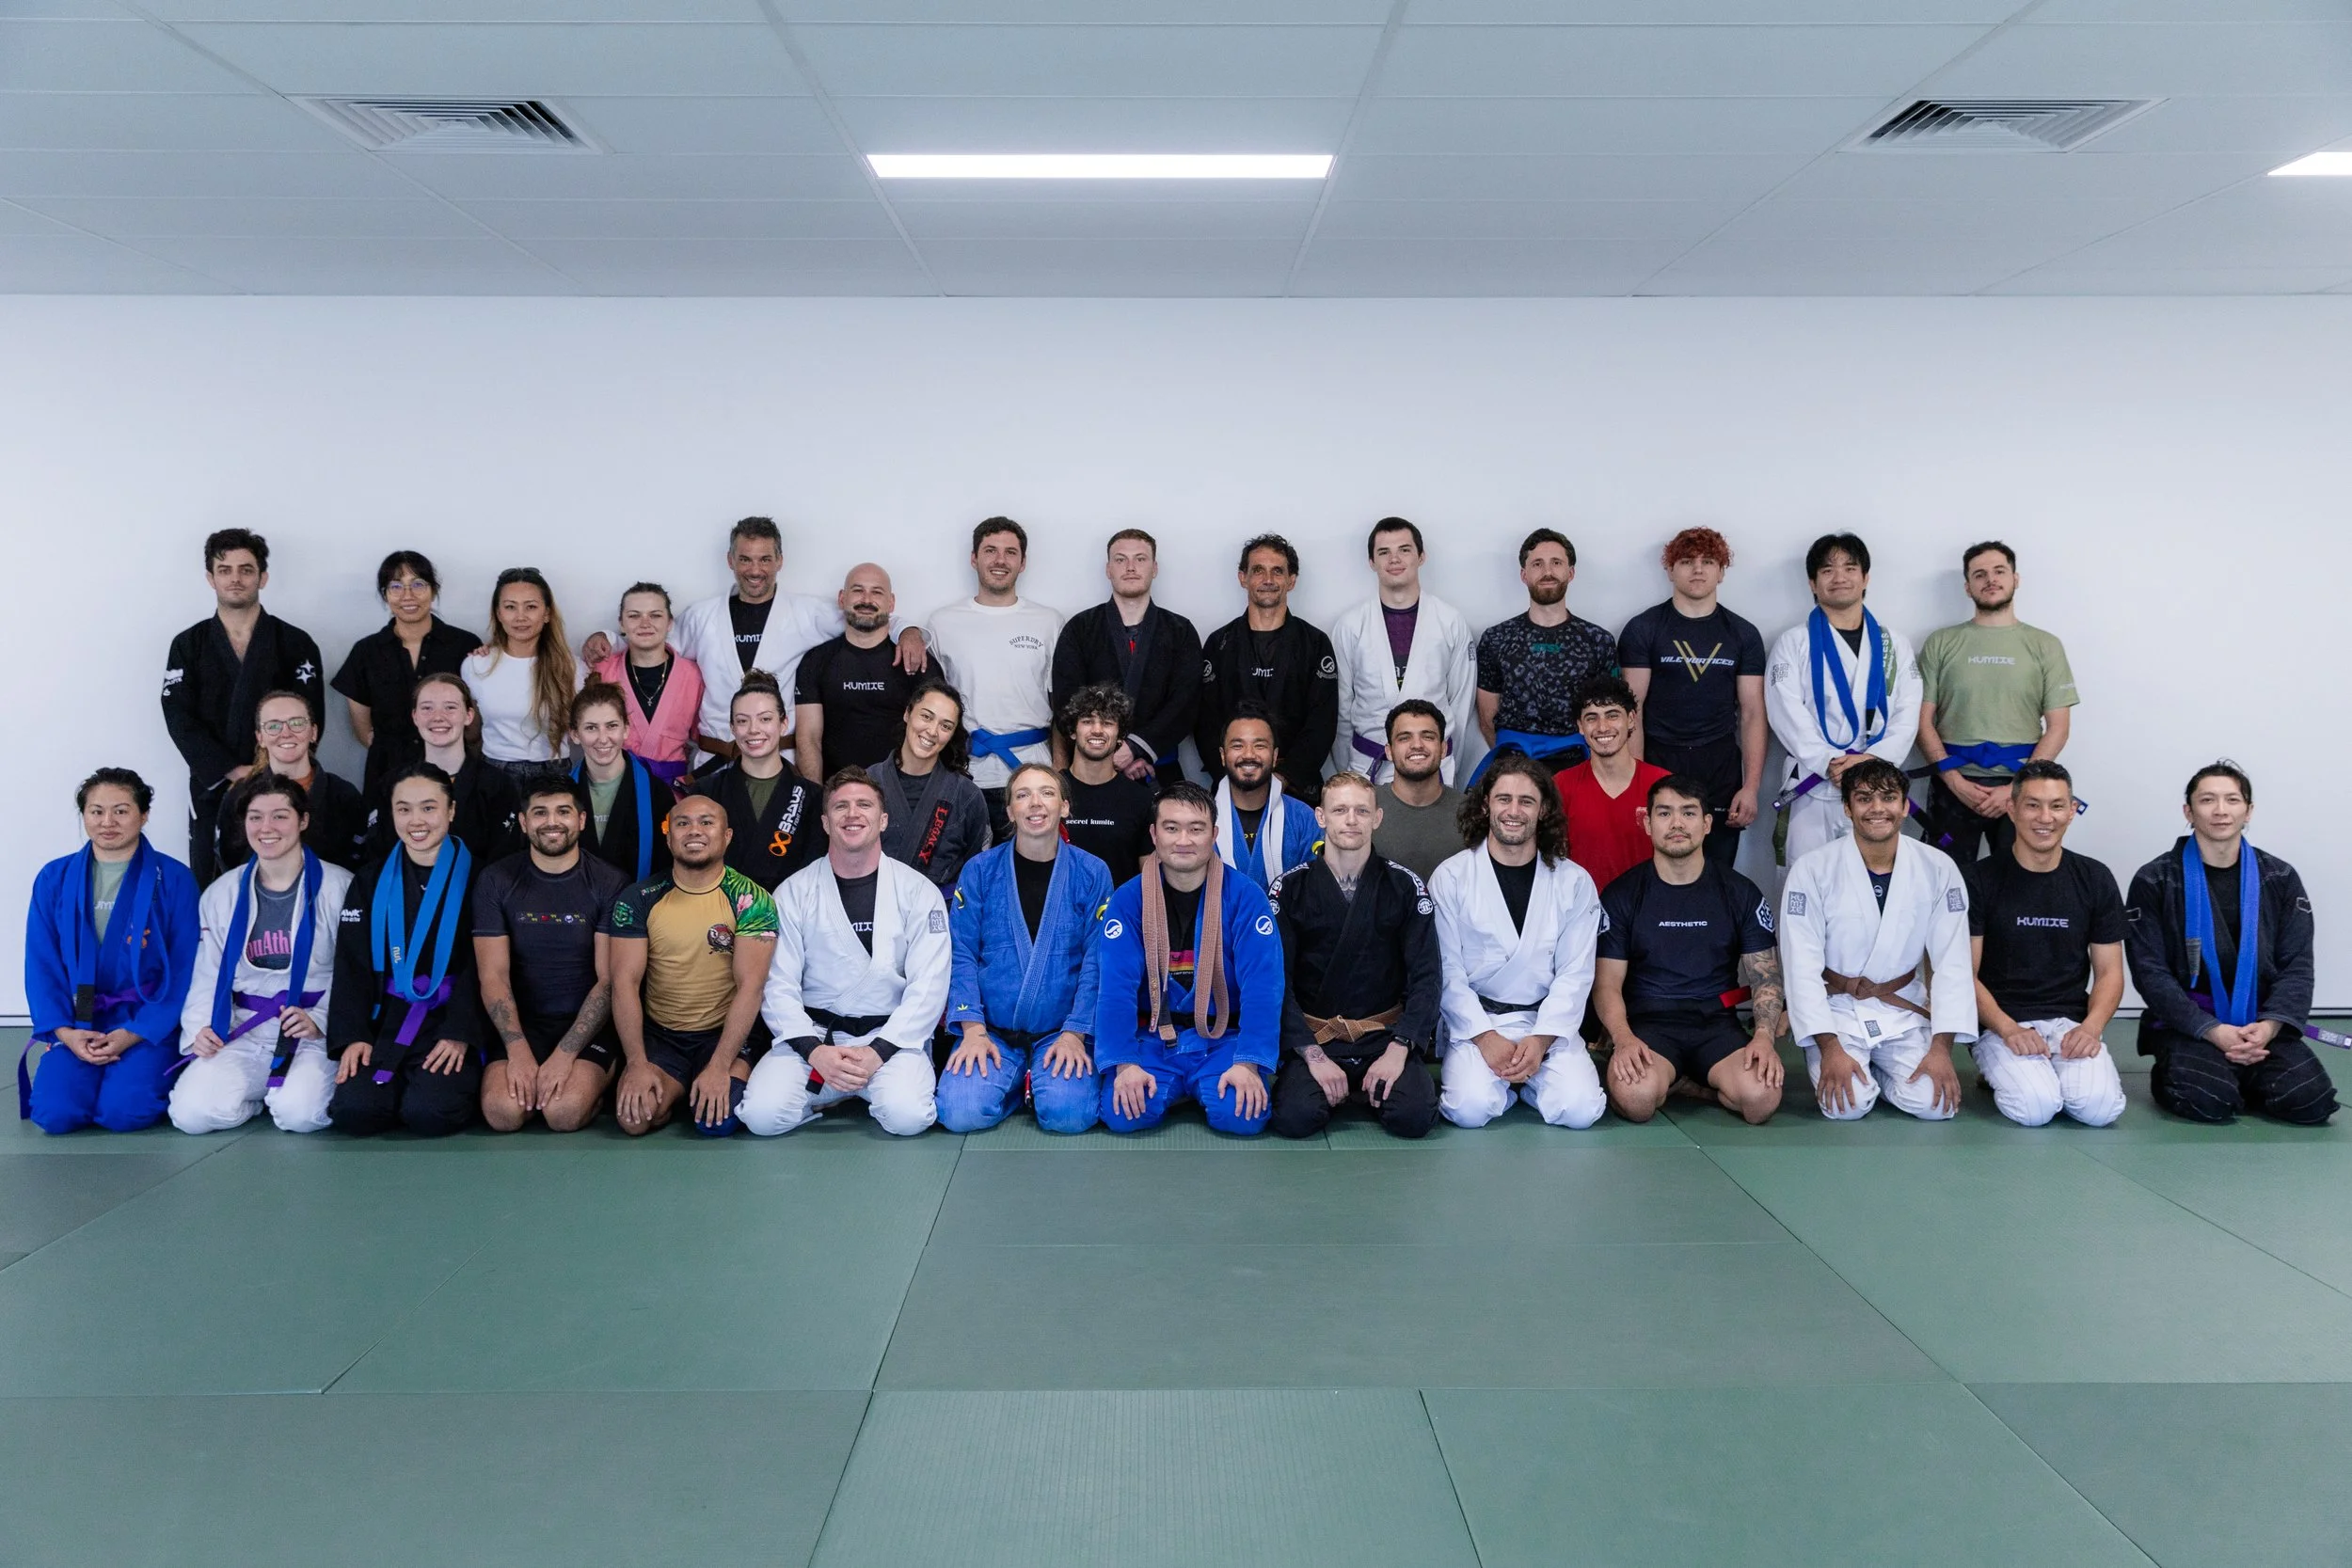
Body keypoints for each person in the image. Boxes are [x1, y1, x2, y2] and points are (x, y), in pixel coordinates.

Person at [2125, 762, 2335, 1126]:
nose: (2220, 810)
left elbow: (2298, 965)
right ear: (2189, 812)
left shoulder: (2280, 877)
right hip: (2190, 1025)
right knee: (2208, 1102)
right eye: (2207, 800)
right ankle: (2194, 1073)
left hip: (2259, 1026)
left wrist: (2269, 1027)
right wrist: (2211, 1030)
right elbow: (2150, 972)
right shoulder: (2155, 878)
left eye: (2232, 800)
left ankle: (2241, 1073)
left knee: (2311, 1102)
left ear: (2248, 811)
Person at [743, 768, 949, 1137]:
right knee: (761, 1117)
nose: (852, 814)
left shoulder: (919, 892)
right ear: (825, 822)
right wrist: (814, 1051)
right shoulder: (794, 892)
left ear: (883, 819)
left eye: (864, 805)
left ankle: (843, 1090)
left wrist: (876, 1053)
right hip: (818, 1039)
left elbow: (930, 987)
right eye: (841, 807)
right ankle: (836, 1089)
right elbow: (777, 985)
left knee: (908, 1118)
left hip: (890, 1041)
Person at [1778, 758, 1976, 1122]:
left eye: (1888, 797)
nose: (1877, 809)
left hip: (1901, 1008)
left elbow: (1953, 963)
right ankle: (1864, 1074)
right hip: (1837, 1011)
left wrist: (1941, 1048)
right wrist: (1830, 1047)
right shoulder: (1812, 869)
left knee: (1935, 1105)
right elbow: (1800, 966)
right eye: (1864, 798)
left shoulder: (1938, 868)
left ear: (1904, 806)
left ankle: (1881, 1074)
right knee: (1848, 1106)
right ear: (1847, 808)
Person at [1093, 783, 1284, 1135]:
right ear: (1153, 834)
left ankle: (1193, 1085)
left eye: (1196, 829)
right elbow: (1115, 989)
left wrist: (1249, 1062)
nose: (1184, 839)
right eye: (1171, 828)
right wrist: (1124, 1064)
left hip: (1223, 1037)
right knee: (1124, 1117)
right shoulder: (1128, 899)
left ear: (1214, 834)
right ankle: (1179, 1086)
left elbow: (1264, 986)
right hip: (1151, 1037)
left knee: (1242, 1118)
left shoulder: (1245, 897)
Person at [651, 516, 921, 766]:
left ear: (780, 561)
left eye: (765, 559)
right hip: (715, 761)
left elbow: (863, 616)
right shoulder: (701, 617)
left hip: (781, 764)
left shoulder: (806, 613)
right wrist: (611, 640)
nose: (755, 570)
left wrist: (907, 630)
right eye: (745, 559)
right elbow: (649, 642)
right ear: (730, 560)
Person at [1428, 755, 1607, 1130]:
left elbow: (1576, 972)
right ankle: (1512, 1085)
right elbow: (1446, 969)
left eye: (1526, 801)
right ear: (1485, 805)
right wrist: (1484, 1036)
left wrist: (1541, 1039)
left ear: (1543, 811)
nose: (1514, 811)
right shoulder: (1452, 877)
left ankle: (1525, 1083)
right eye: (1503, 799)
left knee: (1581, 1111)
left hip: (1546, 1023)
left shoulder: (1573, 881)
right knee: (1469, 1110)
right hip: (1479, 1022)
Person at [1594, 776, 1785, 1126]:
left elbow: (1765, 976)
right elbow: (1606, 983)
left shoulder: (1740, 892)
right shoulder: (1622, 894)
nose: (1677, 823)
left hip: (1716, 1026)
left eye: (1689, 813)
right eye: (1664, 813)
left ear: (1707, 824)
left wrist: (1762, 1037)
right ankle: (1675, 1081)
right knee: (1636, 1101)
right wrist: (1622, 1039)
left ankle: (1693, 1084)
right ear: (1647, 823)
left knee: (1761, 1100)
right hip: (1650, 1027)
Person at [936, 764, 1115, 1134]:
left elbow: (1098, 961)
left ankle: (1037, 1082)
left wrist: (1076, 1034)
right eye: (1023, 795)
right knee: (960, 1114)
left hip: (1060, 1032)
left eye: (1047, 793)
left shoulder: (1092, 872)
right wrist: (971, 1029)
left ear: (1065, 807)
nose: (1036, 803)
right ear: (1009, 812)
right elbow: (962, 953)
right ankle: (1020, 1085)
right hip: (992, 1033)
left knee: (1070, 1117)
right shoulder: (980, 870)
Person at [21, 768, 200, 1133]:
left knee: (124, 1113)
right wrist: (64, 1033)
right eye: (96, 811)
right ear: (84, 815)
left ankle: (144, 1069)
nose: (107, 822)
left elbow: (185, 967)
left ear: (144, 815)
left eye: (121, 810)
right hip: (78, 1018)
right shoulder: (54, 878)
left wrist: (134, 1033)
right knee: (55, 1115)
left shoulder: (175, 878)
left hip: (145, 1018)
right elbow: (41, 963)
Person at [167, 774, 349, 1134]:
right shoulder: (222, 893)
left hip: (310, 1031)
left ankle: (281, 1094)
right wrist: (201, 1027)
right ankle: (257, 1098)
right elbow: (207, 971)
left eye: (280, 815)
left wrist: (323, 1021)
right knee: (190, 1115)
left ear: (303, 820)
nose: (267, 827)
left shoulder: (340, 887)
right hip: (244, 1029)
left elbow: (353, 974)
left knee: (299, 1116)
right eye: (255, 817)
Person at [1265, 772, 1441, 1140]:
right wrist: (1312, 1056)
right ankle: (1345, 1087)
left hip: (1383, 1035)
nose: (1351, 820)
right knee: (1295, 1118)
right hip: (1317, 1036)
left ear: (1377, 818)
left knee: (1413, 1118)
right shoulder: (1289, 888)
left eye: (1362, 811)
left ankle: (1359, 1088)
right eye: (1340, 809)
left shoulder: (1405, 886)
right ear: (1320, 817)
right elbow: (1275, 981)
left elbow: (1426, 977)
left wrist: (1400, 1048)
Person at [1963, 760, 2126, 1128]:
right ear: (2012, 809)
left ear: (2072, 811)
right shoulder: (1980, 879)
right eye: (2033, 805)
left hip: (2070, 1023)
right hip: (2003, 1025)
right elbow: (1963, 975)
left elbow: (2110, 971)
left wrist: (2091, 1028)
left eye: (2056, 806)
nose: (2045, 817)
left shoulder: (2095, 877)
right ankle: (1999, 1069)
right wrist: (2008, 1029)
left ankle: (2048, 1071)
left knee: (2099, 1112)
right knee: (2036, 1109)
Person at [327, 764, 486, 1136]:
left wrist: (460, 1031)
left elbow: (486, 967)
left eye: (429, 808)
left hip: (449, 1018)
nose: (417, 820)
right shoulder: (370, 879)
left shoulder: (483, 878)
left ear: (451, 811)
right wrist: (353, 1036)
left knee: (430, 1114)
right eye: (404, 808)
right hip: (387, 1019)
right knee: (354, 1113)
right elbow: (351, 963)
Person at [606, 794, 779, 1137]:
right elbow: (624, 983)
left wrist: (718, 1066)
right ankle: (677, 1087)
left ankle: (697, 1085)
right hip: (663, 1038)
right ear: (668, 837)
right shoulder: (638, 899)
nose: (694, 831)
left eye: (706, 822)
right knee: (634, 1120)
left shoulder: (752, 899)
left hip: (723, 1036)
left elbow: (751, 988)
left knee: (718, 1122)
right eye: (682, 823)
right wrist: (637, 1064)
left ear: (726, 836)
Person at [162, 528, 324, 883]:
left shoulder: (295, 643)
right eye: (225, 570)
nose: (235, 579)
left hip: (283, 783)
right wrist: (230, 770)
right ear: (210, 578)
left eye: (246, 569)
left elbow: (309, 719)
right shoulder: (189, 644)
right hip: (214, 785)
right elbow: (178, 716)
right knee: (211, 880)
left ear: (262, 578)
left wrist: (270, 770)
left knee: (288, 878)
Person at [472, 775, 630, 1134]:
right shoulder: (495, 880)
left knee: (562, 1113)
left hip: (589, 1029)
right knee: (502, 1113)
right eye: (540, 813)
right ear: (524, 822)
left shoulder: (610, 882)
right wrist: (518, 1050)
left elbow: (609, 981)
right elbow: (493, 976)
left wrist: (564, 1055)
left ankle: (596, 1087)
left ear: (581, 820)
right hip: (523, 1025)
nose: (552, 822)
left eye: (563, 811)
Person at [1765, 532, 1922, 869]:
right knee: (1803, 884)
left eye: (1850, 568)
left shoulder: (1895, 644)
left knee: (1876, 880)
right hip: (1812, 785)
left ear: (1865, 578)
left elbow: (1908, 714)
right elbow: (1785, 712)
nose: (1839, 577)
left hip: (1878, 789)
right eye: (1827, 570)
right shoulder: (1793, 643)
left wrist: (1871, 762)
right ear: (1812, 583)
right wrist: (1829, 762)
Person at [1917, 542, 2079, 863]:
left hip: (2022, 788)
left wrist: (2018, 788)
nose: (1990, 579)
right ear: (1968, 587)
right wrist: (1954, 781)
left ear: (2015, 579)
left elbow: (2058, 728)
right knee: (1946, 879)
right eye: (1979, 574)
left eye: (1999, 571)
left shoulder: (2045, 645)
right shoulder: (1941, 642)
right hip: (1953, 786)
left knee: (2021, 882)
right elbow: (1922, 722)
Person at [1616, 528, 1768, 867]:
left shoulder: (1743, 633)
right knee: (1656, 863)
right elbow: (1632, 712)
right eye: (1686, 561)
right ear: (1670, 570)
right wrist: (1637, 780)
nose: (1698, 569)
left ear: (1722, 571)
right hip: (1659, 758)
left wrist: (1752, 787)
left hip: (1720, 764)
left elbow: (1753, 713)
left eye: (1708, 561)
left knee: (1715, 867)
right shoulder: (1643, 628)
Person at [924, 516, 1063, 841]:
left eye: (1010, 552)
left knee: (1031, 867)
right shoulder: (943, 622)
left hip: (1032, 772)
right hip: (966, 772)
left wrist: (1058, 770)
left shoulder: (1049, 621)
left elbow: (1061, 704)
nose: (1000, 560)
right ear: (974, 558)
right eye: (990, 550)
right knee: (968, 869)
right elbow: (932, 703)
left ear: (1023, 562)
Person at [1329, 517, 1476, 786]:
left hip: (1433, 768)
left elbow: (1461, 704)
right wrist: (1347, 769)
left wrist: (1449, 759)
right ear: (1371, 562)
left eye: (1404, 550)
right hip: (1367, 766)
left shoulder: (1450, 621)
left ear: (1421, 556)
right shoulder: (1351, 626)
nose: (1394, 559)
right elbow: (1341, 707)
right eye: (1383, 552)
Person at [1049, 529, 1201, 786]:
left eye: (1140, 559)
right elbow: (1067, 702)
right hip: (1093, 770)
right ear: (1108, 569)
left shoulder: (1180, 631)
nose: (1130, 567)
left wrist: (1137, 748)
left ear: (1154, 568)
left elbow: (1186, 703)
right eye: (1120, 560)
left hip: (1157, 768)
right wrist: (1110, 752)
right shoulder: (1080, 628)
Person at [1197, 533, 1340, 805]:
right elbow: (1206, 722)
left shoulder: (1315, 643)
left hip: (1297, 787)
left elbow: (1322, 722)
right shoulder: (1219, 644)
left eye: (1277, 571)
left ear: (1291, 580)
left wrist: (1285, 777)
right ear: (1243, 578)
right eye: (1258, 570)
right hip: (1233, 782)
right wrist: (1230, 775)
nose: (1268, 580)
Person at [1470, 529, 1619, 782]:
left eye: (1556, 563)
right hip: (1513, 761)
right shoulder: (1497, 638)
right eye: (1537, 564)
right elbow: (1487, 714)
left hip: (1578, 763)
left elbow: (1611, 711)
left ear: (1570, 573)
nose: (1547, 572)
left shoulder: (1597, 640)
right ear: (1524, 574)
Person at [331, 549, 479, 803]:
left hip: (453, 773)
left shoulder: (464, 645)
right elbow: (363, 730)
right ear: (385, 594)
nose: (407, 596)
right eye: (396, 586)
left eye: (418, 584)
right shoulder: (366, 651)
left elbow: (474, 716)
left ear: (433, 590)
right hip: (388, 773)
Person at [206, 689, 368, 872]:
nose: (286, 733)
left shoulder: (344, 795)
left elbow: (359, 863)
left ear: (313, 732)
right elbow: (227, 864)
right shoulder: (239, 795)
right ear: (260, 738)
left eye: (297, 723)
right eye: (274, 726)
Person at [369, 672, 519, 864]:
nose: (438, 717)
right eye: (427, 708)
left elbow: (505, 861)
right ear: (414, 716)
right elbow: (378, 855)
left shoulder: (497, 785)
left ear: (469, 715)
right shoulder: (391, 784)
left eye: (450, 708)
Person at [695, 671, 827, 892]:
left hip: (789, 914)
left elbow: (815, 874)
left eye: (765, 719)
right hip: (719, 914)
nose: (753, 730)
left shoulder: (813, 798)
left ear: (783, 724)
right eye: (742, 721)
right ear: (732, 728)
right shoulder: (706, 792)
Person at [793, 562, 917, 780]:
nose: (867, 600)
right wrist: (817, 798)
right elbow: (808, 739)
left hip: (903, 794)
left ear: (891, 602)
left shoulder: (915, 661)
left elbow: (935, 734)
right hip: (838, 795)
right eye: (858, 590)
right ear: (842, 598)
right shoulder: (815, 661)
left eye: (877, 592)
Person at [1551, 675, 1670, 895]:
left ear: (1631, 719)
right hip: (1582, 913)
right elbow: (1549, 859)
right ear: (1580, 727)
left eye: (1612, 715)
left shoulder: (1663, 785)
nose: (1602, 727)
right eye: (1591, 718)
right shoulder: (1561, 785)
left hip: (1647, 911)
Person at [870, 678, 991, 891]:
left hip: (939, 913)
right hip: (874, 908)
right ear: (908, 713)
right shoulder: (867, 783)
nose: (933, 731)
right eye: (926, 716)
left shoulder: (966, 795)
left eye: (946, 726)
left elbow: (976, 870)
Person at [463, 567, 578, 784]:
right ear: (498, 613)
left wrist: (607, 637)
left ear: (547, 613)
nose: (520, 617)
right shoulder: (475, 665)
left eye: (531, 607)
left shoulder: (572, 666)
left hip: (555, 772)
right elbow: (470, 731)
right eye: (510, 607)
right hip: (495, 772)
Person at [588, 582, 704, 787]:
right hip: (614, 786)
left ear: (669, 623)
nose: (645, 623)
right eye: (634, 616)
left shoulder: (693, 675)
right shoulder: (601, 672)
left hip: (672, 790)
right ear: (621, 624)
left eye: (655, 615)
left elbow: (700, 735)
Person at [569, 682, 676, 885]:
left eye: (612, 726)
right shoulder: (561, 794)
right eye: (591, 728)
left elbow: (667, 866)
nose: (603, 739)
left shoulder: (657, 794)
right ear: (575, 734)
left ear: (626, 729)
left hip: (638, 908)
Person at [1214, 708, 1321, 895]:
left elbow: (1316, 891)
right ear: (1223, 756)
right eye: (1237, 746)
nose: (1249, 754)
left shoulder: (1303, 818)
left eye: (1260, 746)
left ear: (1274, 756)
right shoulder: (1201, 819)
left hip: (1286, 923)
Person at [1059, 682, 1155, 886]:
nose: (1097, 730)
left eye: (1107, 723)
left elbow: (1149, 881)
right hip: (1059, 913)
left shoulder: (1141, 800)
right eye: (1087, 721)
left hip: (1118, 915)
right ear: (1073, 731)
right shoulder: (1050, 792)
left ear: (1120, 735)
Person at [1370, 700, 1463, 881]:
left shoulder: (1470, 811)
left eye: (1427, 736)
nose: (1417, 745)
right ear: (1389, 751)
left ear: (1443, 748)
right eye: (1404, 738)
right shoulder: (1364, 807)